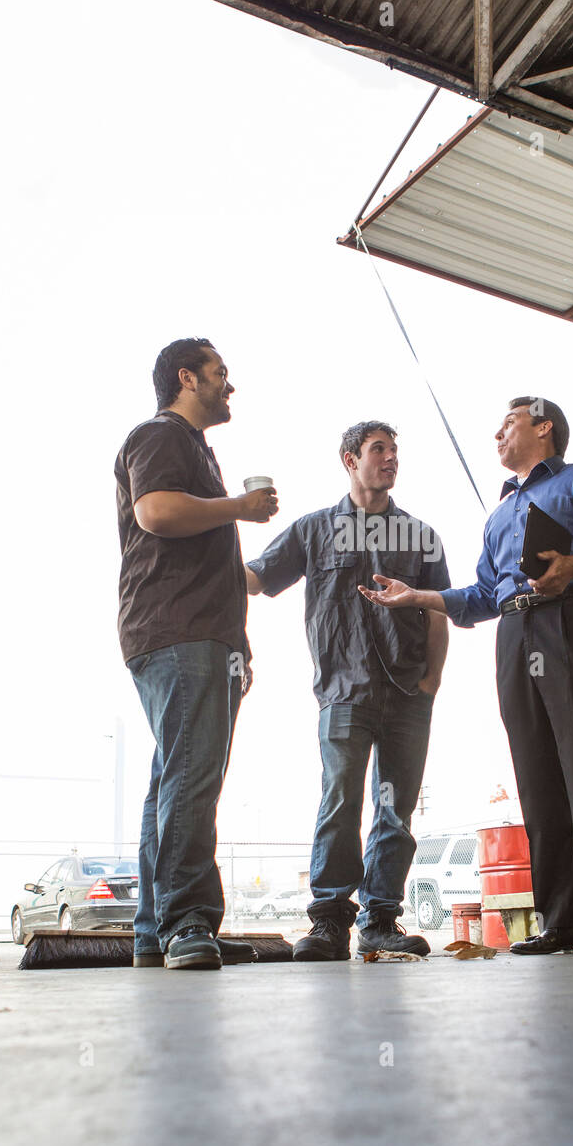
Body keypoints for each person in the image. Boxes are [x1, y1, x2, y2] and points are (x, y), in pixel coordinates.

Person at [360, 397, 573, 957]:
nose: (496, 434)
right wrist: (419, 597)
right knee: (536, 776)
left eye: (508, 423)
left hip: (571, 620)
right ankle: (563, 919)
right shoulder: (498, 516)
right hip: (514, 634)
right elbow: (484, 595)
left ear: (543, 428)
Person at [245, 422, 451, 961]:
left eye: (394, 450)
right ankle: (330, 922)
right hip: (343, 692)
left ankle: (381, 921)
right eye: (378, 450)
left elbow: (438, 610)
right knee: (341, 801)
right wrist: (202, 558)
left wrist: (431, 682)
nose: (390, 459)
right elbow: (257, 577)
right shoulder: (313, 531)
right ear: (349, 459)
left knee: (396, 809)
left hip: (409, 692)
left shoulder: (421, 536)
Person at [115, 337, 278, 969]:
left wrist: (237, 644)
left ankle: (157, 930)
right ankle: (187, 921)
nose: (228, 384)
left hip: (196, 634)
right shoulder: (161, 437)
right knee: (192, 776)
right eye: (219, 373)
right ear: (188, 377)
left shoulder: (193, 450)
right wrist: (239, 507)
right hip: (177, 631)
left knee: (173, 777)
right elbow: (155, 511)